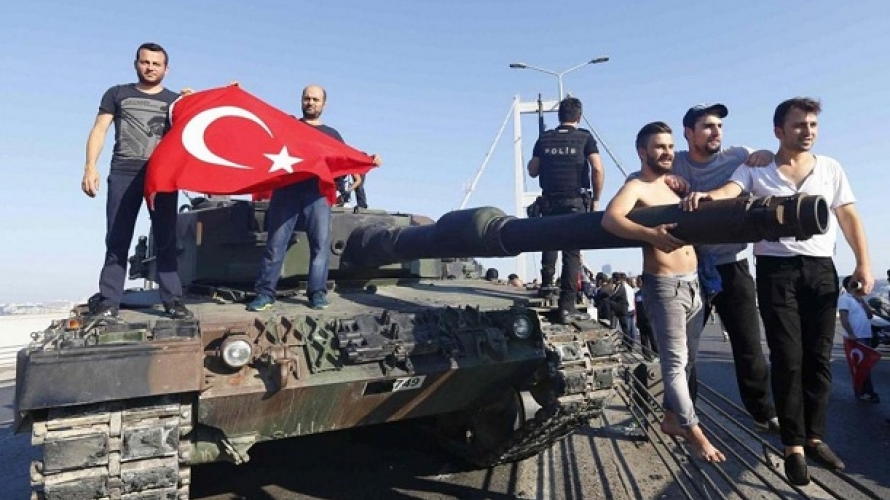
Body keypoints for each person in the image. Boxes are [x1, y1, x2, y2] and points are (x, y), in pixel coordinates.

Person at [683, 97, 873, 484]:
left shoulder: (830, 168)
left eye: (813, 125)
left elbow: (848, 215)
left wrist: (863, 265)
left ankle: (814, 436)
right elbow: (732, 188)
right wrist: (707, 197)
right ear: (779, 130)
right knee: (787, 357)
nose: (808, 132)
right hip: (775, 269)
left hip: (821, 269)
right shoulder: (758, 168)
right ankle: (793, 446)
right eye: (799, 125)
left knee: (818, 358)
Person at [602, 121, 725, 463]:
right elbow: (610, 219)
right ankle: (696, 433)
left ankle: (672, 418)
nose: (668, 152)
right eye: (659, 147)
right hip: (666, 285)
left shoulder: (673, 187)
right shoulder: (636, 185)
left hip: (693, 283)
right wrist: (650, 235)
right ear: (642, 152)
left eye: (670, 146)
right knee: (674, 365)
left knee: (688, 363)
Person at [671, 103, 779, 433]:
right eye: (707, 126)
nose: (716, 131)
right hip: (691, 269)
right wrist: (665, 180)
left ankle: (763, 412)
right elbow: (641, 180)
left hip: (734, 267)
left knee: (749, 347)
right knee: (684, 352)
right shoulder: (674, 162)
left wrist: (766, 154)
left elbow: (773, 166)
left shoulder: (739, 156)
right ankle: (685, 416)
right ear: (688, 133)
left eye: (719, 126)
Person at [82, 42, 192, 320]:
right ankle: (109, 301)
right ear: (136, 64)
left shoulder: (175, 101)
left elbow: (198, 127)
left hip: (161, 175)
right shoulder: (117, 93)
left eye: (156, 64)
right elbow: (99, 129)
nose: (150, 67)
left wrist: (196, 102)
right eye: (145, 62)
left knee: (166, 238)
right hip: (124, 171)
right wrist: (90, 166)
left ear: (166, 69)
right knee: (117, 238)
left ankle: (172, 300)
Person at [247, 85, 381, 311]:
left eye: (315, 99)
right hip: (286, 191)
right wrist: (240, 96)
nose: (310, 103)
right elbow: (261, 121)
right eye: (307, 98)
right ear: (301, 100)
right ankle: (265, 293)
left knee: (320, 245)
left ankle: (317, 292)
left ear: (324, 104)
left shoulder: (332, 135)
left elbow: (345, 157)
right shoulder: (289, 125)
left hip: (317, 194)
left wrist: (368, 159)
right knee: (275, 244)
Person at [527, 97, 605, 324]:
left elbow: (532, 171)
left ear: (559, 115)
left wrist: (543, 157)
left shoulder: (544, 138)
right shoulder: (585, 137)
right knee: (571, 253)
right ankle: (566, 306)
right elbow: (598, 169)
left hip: (550, 201)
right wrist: (596, 200)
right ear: (579, 117)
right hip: (575, 201)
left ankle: (546, 285)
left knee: (549, 241)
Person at [838, 276, 880, 403]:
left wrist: (862, 300)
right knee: (860, 366)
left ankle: (868, 391)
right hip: (856, 337)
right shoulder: (845, 299)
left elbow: (869, 315)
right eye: (855, 282)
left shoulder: (857, 299)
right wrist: (851, 334)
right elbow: (843, 318)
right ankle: (863, 392)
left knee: (866, 366)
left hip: (865, 335)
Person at [634, 275, 658, 359]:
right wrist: (637, 320)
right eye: (637, 281)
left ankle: (656, 354)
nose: (637, 283)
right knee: (643, 339)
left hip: (650, 318)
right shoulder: (637, 294)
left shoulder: (650, 292)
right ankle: (646, 356)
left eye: (639, 281)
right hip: (641, 319)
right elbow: (637, 308)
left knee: (653, 338)